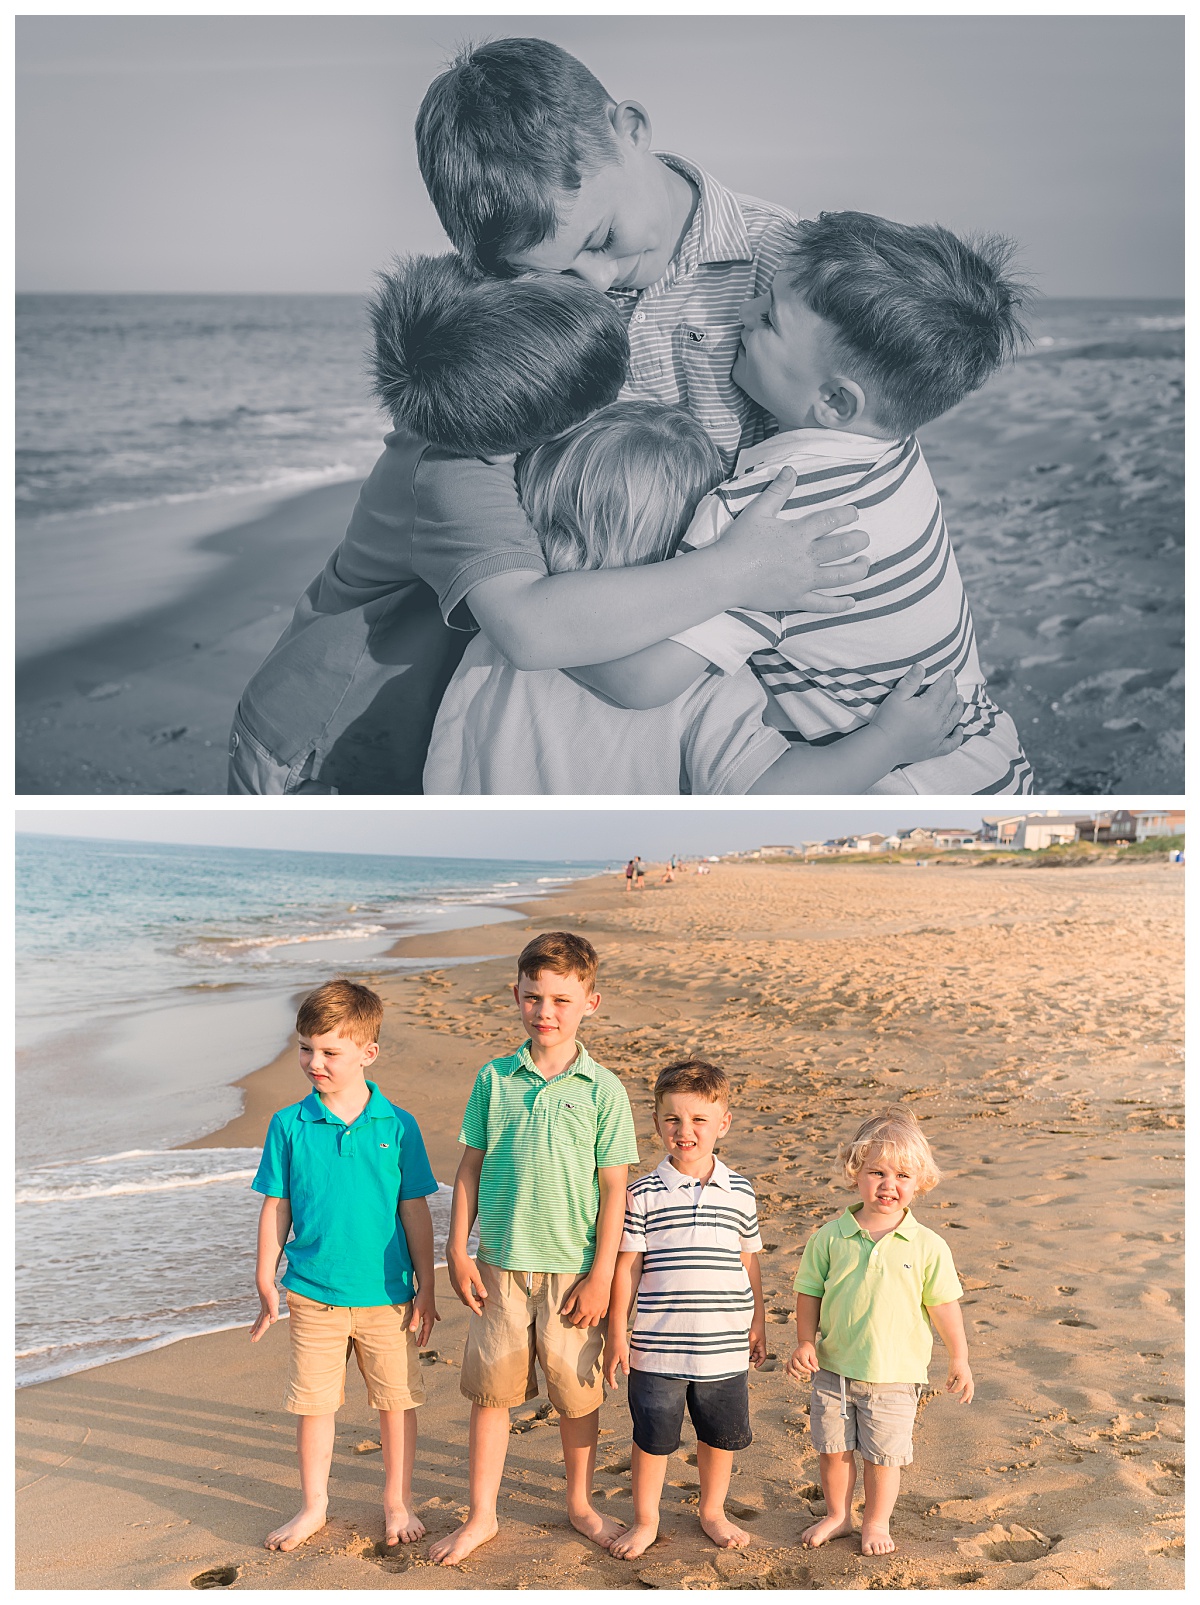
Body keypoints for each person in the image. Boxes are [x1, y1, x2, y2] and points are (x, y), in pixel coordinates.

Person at [230, 33, 873, 796]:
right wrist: (731, 576)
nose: (594, 283)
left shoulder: (787, 279)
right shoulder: (487, 366)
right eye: (556, 274)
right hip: (358, 731)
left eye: (600, 238)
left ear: (630, 129)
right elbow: (530, 613)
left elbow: (853, 461)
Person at [578, 211, 1034, 795]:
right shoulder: (892, 449)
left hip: (894, 788)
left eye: (768, 318)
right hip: (991, 759)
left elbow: (638, 681)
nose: (742, 316)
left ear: (836, 401)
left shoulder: (772, 511)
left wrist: (536, 615)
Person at [422, 401, 965, 793]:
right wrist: (889, 742)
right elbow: (771, 794)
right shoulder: (702, 680)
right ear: (686, 544)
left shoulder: (503, 618)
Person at [432, 932, 640, 1564]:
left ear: (590, 1003)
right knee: (491, 1395)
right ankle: (482, 1515)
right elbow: (468, 1169)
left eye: (561, 999)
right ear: (515, 996)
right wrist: (457, 1249)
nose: (545, 1012)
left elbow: (615, 1190)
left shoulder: (603, 1088)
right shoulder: (493, 1079)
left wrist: (602, 1274)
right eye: (532, 997)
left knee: (576, 1398)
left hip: (573, 1273)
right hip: (498, 1266)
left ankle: (579, 1504)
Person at [249, 981, 439, 1552]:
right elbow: (276, 1206)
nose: (314, 1062)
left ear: (367, 1053)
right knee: (314, 1406)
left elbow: (416, 1213)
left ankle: (397, 1502)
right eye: (306, 1048)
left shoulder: (398, 1125)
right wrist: (266, 1278)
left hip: (387, 1296)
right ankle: (313, 1506)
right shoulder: (289, 1124)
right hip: (313, 1293)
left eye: (330, 1051)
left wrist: (427, 1289)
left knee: (397, 1402)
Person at [785, 1109, 973, 1556]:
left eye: (902, 1175)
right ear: (856, 1174)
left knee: (883, 1457)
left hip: (894, 1375)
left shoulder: (927, 1245)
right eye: (877, 1172)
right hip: (832, 1369)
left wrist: (959, 1358)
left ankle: (876, 1522)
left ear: (919, 1182)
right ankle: (837, 1514)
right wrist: (805, 1342)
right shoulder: (830, 1237)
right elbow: (808, 1294)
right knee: (832, 1450)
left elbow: (944, 1306)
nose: (889, 1185)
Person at [606, 1059, 766, 1559]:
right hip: (657, 1345)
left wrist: (758, 1319)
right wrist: (617, 1330)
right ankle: (646, 1519)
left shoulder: (739, 1190)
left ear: (724, 1123)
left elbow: (749, 1260)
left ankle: (712, 1512)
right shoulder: (642, 1193)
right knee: (653, 1439)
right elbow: (627, 1267)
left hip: (724, 1347)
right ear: (657, 1123)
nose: (685, 1131)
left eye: (699, 1120)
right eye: (673, 1120)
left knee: (719, 1437)